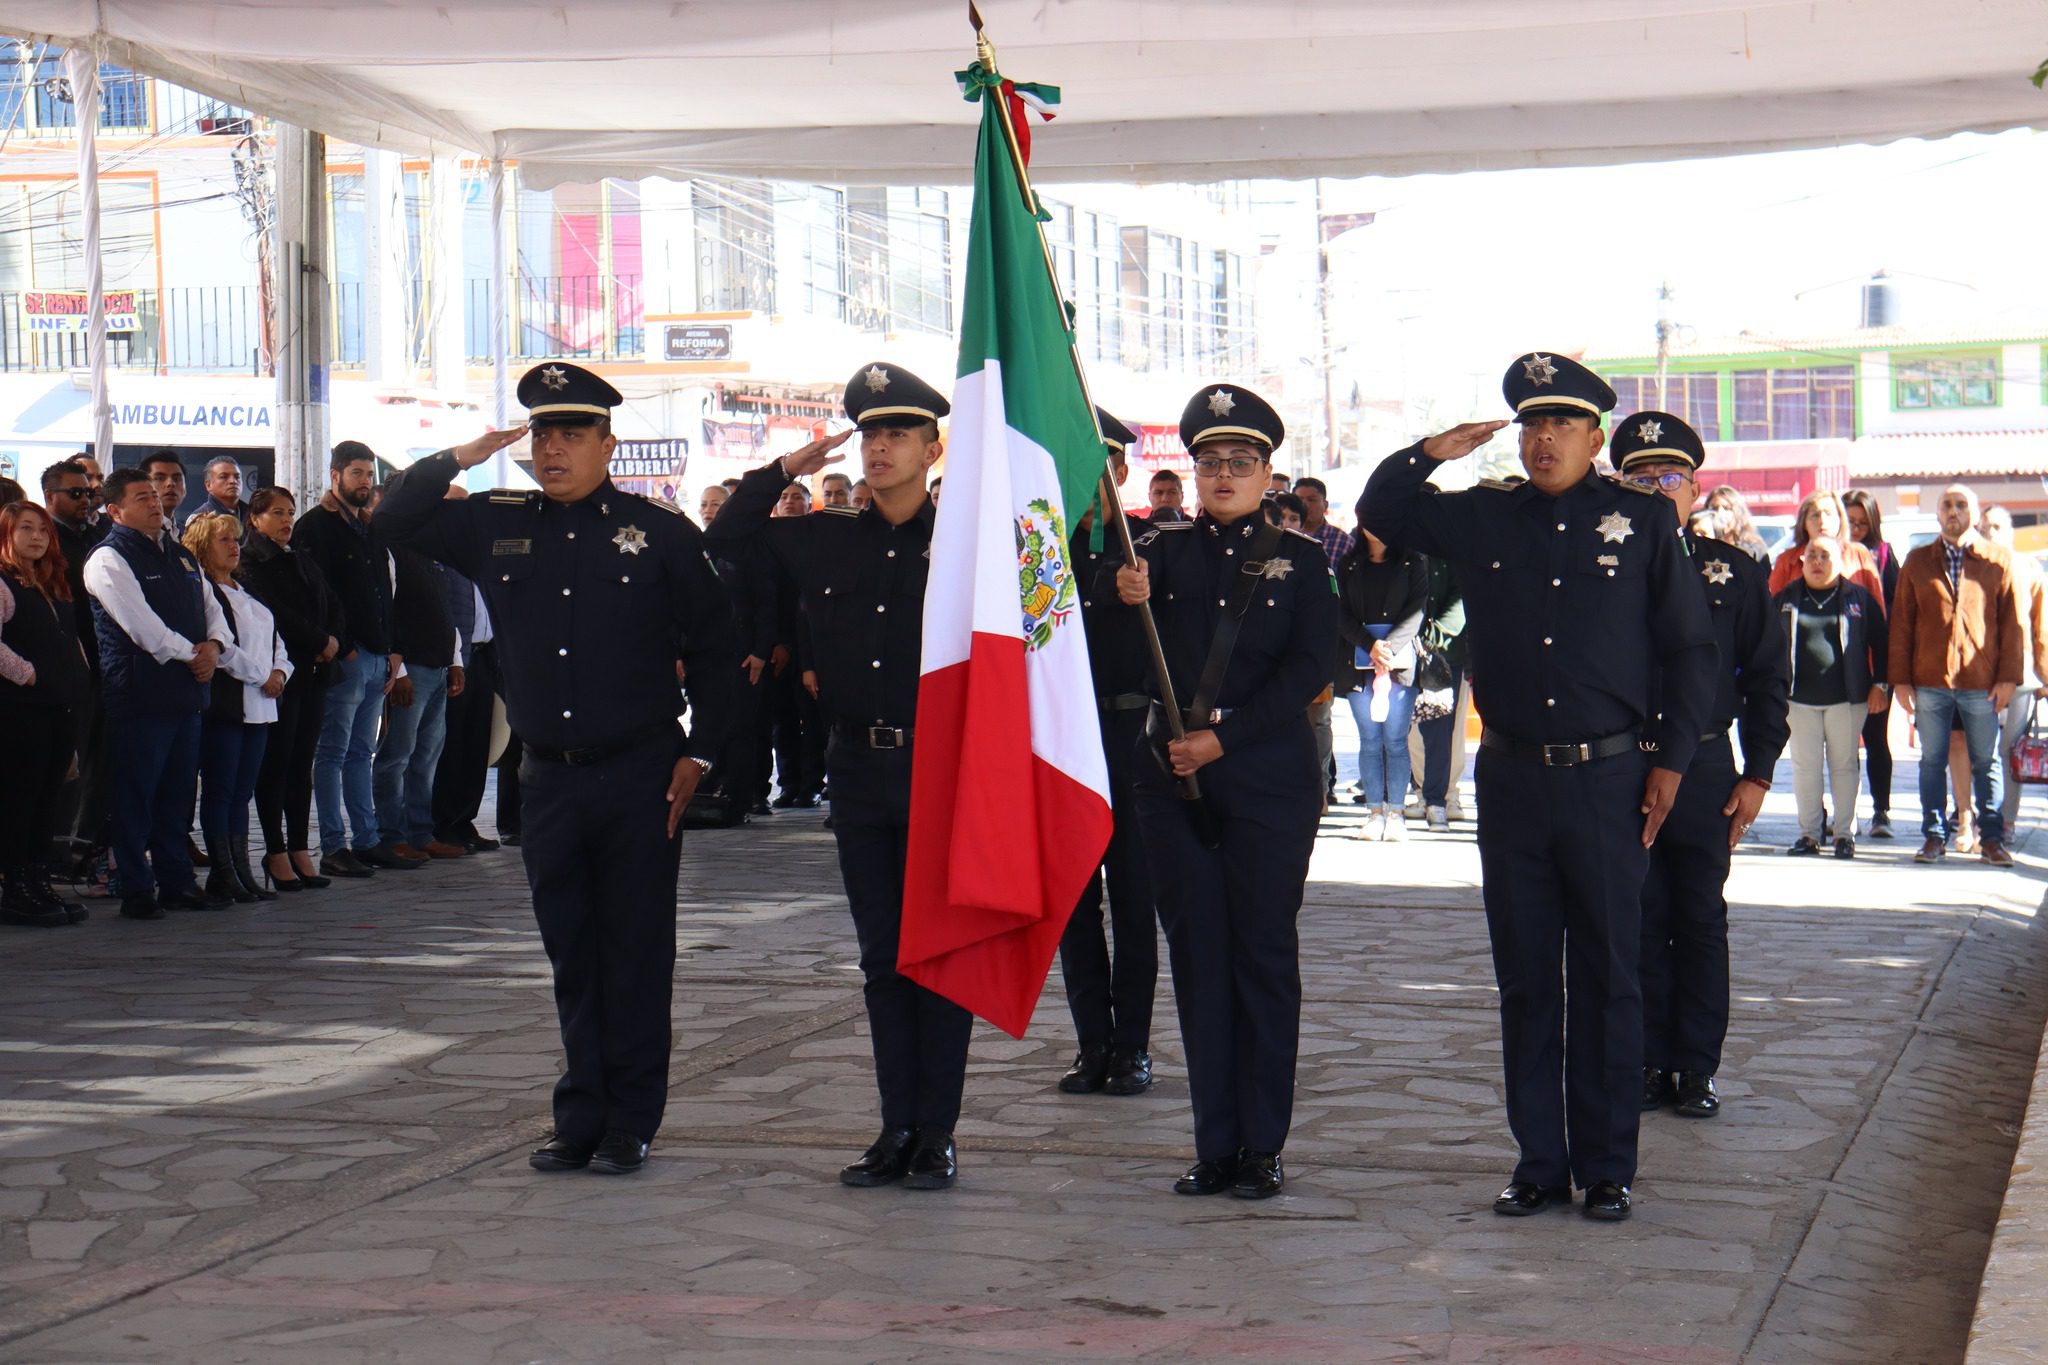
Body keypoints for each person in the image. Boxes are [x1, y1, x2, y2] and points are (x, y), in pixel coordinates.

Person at [1359, 353, 1716, 1223]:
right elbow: (1383, 512)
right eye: (1530, 423)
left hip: (1609, 780)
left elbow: (1688, 651)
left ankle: (1606, 1166)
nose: (1542, 436)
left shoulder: (1639, 520)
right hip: (1515, 780)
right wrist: (1431, 449)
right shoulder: (1486, 516)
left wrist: (1671, 763)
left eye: (1561, 423)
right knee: (1525, 977)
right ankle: (1539, 1160)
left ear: (1597, 437)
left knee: (1608, 974)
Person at [375, 361, 738, 1177]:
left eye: (572, 432)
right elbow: (391, 516)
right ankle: (580, 1113)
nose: (552, 447)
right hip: (550, 780)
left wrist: (703, 749)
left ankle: (631, 1118)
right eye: (541, 432)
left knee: (636, 950)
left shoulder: (662, 533)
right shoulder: (496, 523)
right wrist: (462, 454)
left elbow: (718, 651)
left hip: (640, 771)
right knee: (572, 949)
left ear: (610, 443)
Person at [707, 361, 972, 1191]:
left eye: (899, 432)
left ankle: (937, 1132)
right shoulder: (823, 534)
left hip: (944, 766)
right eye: (870, 433)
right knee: (882, 957)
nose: (881, 446)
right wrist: (786, 467)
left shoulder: (966, 542)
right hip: (858, 769)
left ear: (934, 448)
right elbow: (727, 536)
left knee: (943, 955)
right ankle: (895, 1125)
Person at [1113, 382, 1338, 1200]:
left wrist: (1227, 737)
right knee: (1201, 959)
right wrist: (1119, 595)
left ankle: (1262, 1145)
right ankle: (1216, 1143)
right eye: (1209, 460)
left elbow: (1313, 668)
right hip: (1172, 783)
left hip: (1266, 780)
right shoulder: (1155, 554)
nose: (1222, 474)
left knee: (1263, 956)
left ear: (1267, 472)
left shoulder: (1302, 561)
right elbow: (1109, 650)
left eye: (1240, 461)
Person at [1610, 414, 1790, 1122]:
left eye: (1670, 478)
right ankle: (1649, 1059)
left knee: (1699, 915)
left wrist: (1760, 772)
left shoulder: (1733, 572)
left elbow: (1769, 679)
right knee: (1637, 917)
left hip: (1709, 765)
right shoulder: (1599, 573)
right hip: (1622, 763)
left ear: (1695, 488)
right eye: (1640, 478)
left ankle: (1695, 1066)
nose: (1657, 489)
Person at [1054, 409, 1160, 1099]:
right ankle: (1092, 1040)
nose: (1093, 480)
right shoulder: (1048, 550)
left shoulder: (1153, 547)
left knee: (1132, 897)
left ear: (1122, 472)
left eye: (1104, 466)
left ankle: (1133, 1047)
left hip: (1131, 741)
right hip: (1066, 739)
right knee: (1072, 903)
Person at [82, 468, 234, 920]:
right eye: (141, 496)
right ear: (114, 510)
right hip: (140, 695)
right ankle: (136, 887)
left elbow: (212, 606)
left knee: (176, 796)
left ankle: (177, 883)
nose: (153, 502)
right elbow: (142, 628)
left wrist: (215, 646)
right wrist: (194, 654)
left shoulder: (179, 555)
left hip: (186, 695)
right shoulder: (108, 559)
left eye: (154, 495)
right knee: (136, 795)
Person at [1891, 484, 2021, 867]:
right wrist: (1900, 679)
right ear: (1937, 513)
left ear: (1973, 512)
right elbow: (1901, 624)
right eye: (1947, 504)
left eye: (1961, 504)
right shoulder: (1917, 561)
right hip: (1930, 680)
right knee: (1931, 761)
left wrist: (2009, 676)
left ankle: (1992, 839)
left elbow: (2012, 625)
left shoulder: (1996, 560)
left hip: (1981, 681)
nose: (1953, 511)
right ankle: (1934, 837)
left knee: (1987, 762)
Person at [294, 441, 403, 879]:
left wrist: (393, 648)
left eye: (369, 474)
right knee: (333, 751)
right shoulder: (314, 527)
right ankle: (334, 846)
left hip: (378, 656)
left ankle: (368, 840)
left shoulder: (370, 527)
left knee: (363, 751)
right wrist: (344, 643)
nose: (365, 481)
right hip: (346, 658)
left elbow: (384, 592)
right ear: (335, 474)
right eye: (356, 473)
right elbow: (315, 594)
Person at [184, 511, 291, 904]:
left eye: (235, 540)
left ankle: (241, 868)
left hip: (261, 705)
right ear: (202, 546)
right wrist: (261, 674)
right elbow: (222, 647)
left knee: (242, 791)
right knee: (221, 790)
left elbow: (274, 637)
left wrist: (280, 671)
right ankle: (223, 871)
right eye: (223, 540)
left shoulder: (245, 590)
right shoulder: (203, 591)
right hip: (229, 704)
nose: (234, 547)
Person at [240, 487, 343, 892]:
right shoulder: (251, 562)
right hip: (283, 672)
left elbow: (331, 600)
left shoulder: (299, 555)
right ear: (255, 518)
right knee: (277, 764)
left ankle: (301, 846)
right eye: (277, 513)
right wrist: (317, 640)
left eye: (290, 513)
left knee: (302, 764)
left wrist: (333, 638)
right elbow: (273, 614)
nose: (286, 521)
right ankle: (275, 848)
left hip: (317, 670)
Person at [0, 500, 92, 925]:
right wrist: (29, 674)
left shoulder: (53, 583)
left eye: (42, 530)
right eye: (25, 529)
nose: (36, 536)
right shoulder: (3, 583)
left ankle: (38, 882)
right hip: (21, 711)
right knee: (20, 799)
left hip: (61, 706)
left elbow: (69, 641)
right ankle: (15, 886)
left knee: (46, 801)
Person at [1772, 535, 1886, 858]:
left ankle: (1844, 834)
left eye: (1825, 555)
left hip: (1847, 700)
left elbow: (1881, 642)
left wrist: (1882, 684)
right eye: (1812, 555)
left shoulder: (1858, 598)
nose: (1818, 562)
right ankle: (1809, 834)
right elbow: (1765, 644)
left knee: (1844, 766)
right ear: (1802, 561)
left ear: (1839, 561)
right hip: (1798, 700)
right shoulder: (1785, 598)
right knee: (1805, 768)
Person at [1334, 527, 1428, 841]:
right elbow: (1341, 612)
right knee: (1370, 740)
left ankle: (1397, 812)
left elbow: (1417, 612)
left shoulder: (1412, 561)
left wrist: (1387, 647)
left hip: (1399, 662)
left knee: (1397, 741)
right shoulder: (1349, 563)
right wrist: (1370, 645)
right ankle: (1374, 811)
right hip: (1359, 662)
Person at [372, 539, 464, 861]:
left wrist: (455, 660)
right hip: (412, 668)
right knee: (397, 755)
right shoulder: (391, 550)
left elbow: (445, 610)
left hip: (438, 667)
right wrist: (399, 672)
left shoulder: (432, 554)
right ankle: (390, 834)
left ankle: (420, 833)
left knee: (426, 757)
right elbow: (389, 611)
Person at [1979, 506, 2048, 834]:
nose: (1989, 532)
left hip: (2020, 675)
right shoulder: (1970, 566)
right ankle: (1978, 816)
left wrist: (2046, 676)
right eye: (1984, 527)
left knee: (2010, 750)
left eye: (1995, 526)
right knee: (1979, 749)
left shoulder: (2029, 568)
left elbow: (2041, 627)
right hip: (1976, 675)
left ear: (2008, 531)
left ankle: (2006, 821)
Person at [1841, 489, 1901, 838]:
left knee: (1876, 740)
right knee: (1842, 747)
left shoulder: (1883, 554)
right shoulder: (1829, 552)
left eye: (1863, 523)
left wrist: (1886, 673)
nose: (1857, 528)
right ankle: (1845, 814)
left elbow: (1894, 611)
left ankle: (1881, 811)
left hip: (1875, 662)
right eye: (1851, 522)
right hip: (1839, 665)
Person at [1405, 556, 1469, 830]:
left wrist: (1433, 637)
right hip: (1407, 651)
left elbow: (1461, 600)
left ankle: (1442, 798)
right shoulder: (1408, 549)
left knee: (1447, 730)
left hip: (1448, 656)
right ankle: (1425, 795)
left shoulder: (1455, 548)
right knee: (1413, 729)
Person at [1766, 490, 1884, 602]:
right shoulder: (1787, 561)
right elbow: (1771, 607)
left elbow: (1877, 608)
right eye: (1815, 515)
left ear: (1840, 519)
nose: (1822, 521)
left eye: (1828, 514)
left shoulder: (1858, 555)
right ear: (1804, 523)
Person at [1703, 485, 1770, 563]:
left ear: (1738, 512)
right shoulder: (1701, 547)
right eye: (1714, 508)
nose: (1720, 513)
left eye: (1726, 508)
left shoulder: (1754, 548)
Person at [139, 451, 189, 530]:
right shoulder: (134, 533)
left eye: (176, 479)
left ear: (185, 489)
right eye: (160, 478)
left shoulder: (187, 534)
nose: (170, 483)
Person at [197, 457, 250, 530]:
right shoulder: (199, 519)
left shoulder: (254, 515)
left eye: (237, 477)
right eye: (223, 477)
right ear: (208, 485)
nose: (233, 481)